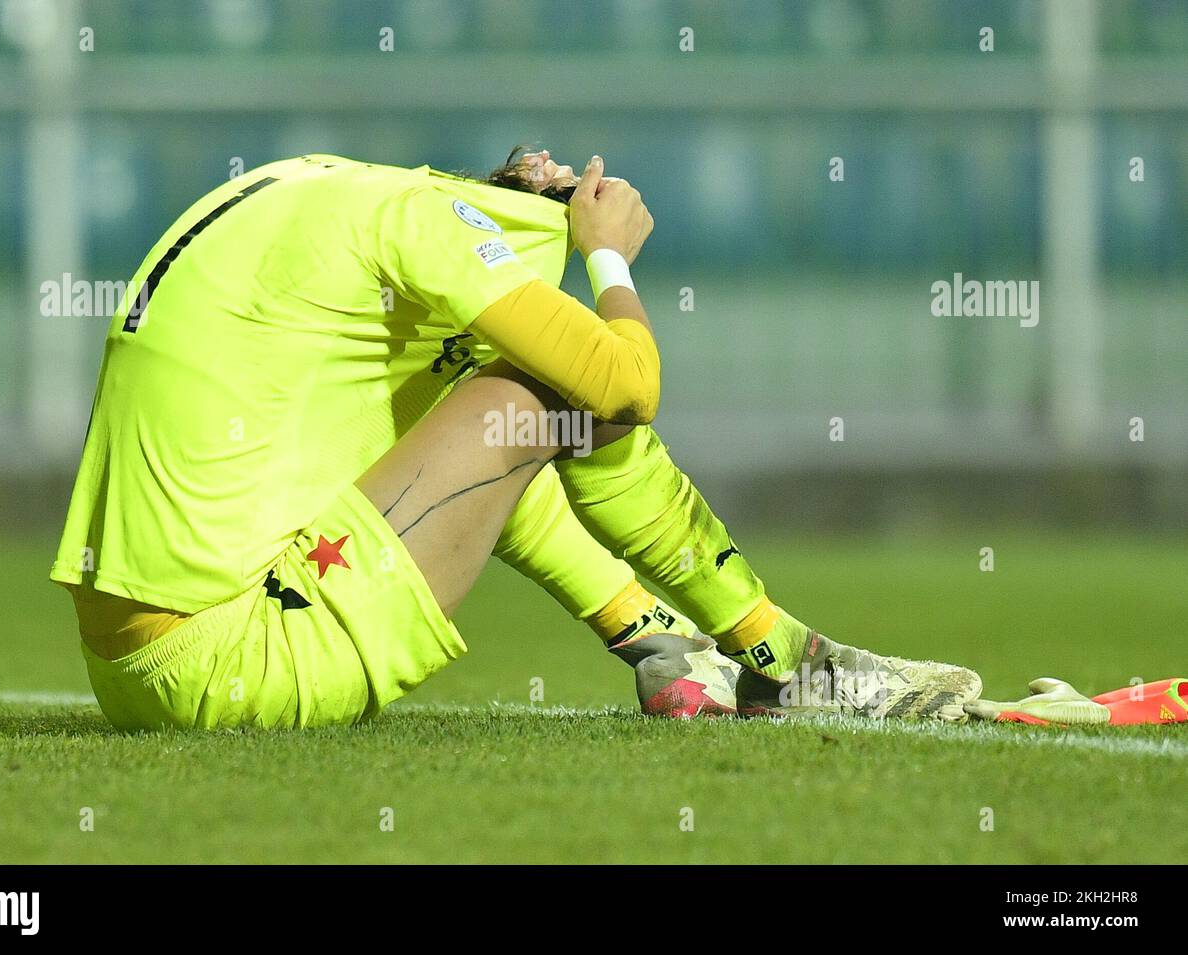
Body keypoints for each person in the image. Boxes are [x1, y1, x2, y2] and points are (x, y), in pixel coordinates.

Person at [51, 148, 980, 729]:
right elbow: (626, 384)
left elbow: (489, 478)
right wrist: (605, 252)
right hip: (241, 661)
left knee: (504, 412)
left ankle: (680, 648)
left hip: (131, 674)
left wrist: (642, 631)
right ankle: (790, 658)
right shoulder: (432, 230)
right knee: (556, 388)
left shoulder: (333, 196)